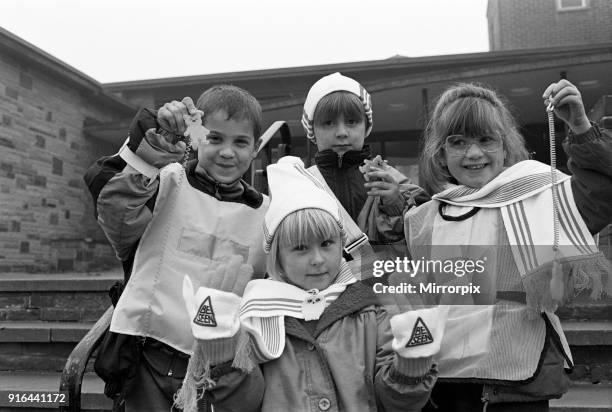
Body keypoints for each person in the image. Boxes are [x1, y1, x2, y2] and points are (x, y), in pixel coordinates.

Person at [404, 80, 612, 411]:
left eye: (486, 140)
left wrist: (580, 126)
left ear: (505, 147)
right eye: (457, 142)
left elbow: (603, 191)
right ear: (440, 153)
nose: (473, 153)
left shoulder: (539, 196)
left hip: (517, 376)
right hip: (445, 379)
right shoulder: (420, 219)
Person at [175, 156, 442, 411]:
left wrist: (410, 365)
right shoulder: (254, 317)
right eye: (300, 248)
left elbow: (397, 404)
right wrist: (224, 352)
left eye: (327, 244)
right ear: (277, 256)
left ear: (341, 243)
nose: (317, 259)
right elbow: (241, 405)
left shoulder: (371, 308)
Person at [83, 85, 269, 411]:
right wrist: (155, 144)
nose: (227, 151)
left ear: (256, 149)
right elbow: (115, 211)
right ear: (197, 137)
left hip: (221, 370)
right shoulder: (163, 180)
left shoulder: (269, 214)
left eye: (241, 142)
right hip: (147, 361)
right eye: (215, 138)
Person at [301, 72, 430, 274]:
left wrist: (396, 204)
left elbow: (423, 244)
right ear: (312, 130)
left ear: (366, 126)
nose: (342, 132)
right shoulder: (302, 184)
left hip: (383, 291)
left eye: (352, 122)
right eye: (328, 123)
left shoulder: (389, 179)